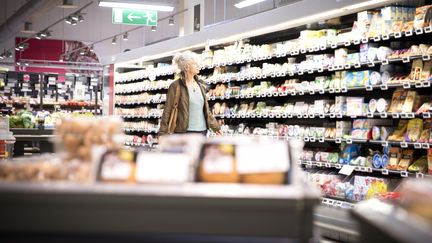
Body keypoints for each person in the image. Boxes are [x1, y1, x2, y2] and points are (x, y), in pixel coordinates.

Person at [159, 51, 222, 136]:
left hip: (202, 132)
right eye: (195, 64)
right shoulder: (176, 86)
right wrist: (162, 133)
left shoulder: (200, 85)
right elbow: (167, 111)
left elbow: (206, 111)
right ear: (187, 67)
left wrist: (216, 127)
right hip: (184, 133)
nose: (198, 66)